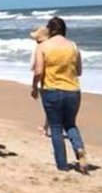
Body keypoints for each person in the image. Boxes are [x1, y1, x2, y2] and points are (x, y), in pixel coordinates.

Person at [31, 16, 88, 173]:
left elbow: (38, 71)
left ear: (49, 30)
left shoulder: (43, 47)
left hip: (52, 90)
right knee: (70, 124)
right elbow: (79, 71)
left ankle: (62, 165)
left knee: (56, 127)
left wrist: (34, 87)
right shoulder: (73, 46)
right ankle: (79, 148)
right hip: (73, 90)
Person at [29, 26, 50, 136]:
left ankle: (46, 129)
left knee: (49, 108)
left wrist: (34, 86)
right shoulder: (54, 46)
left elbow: (35, 67)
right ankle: (46, 127)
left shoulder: (40, 47)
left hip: (47, 81)